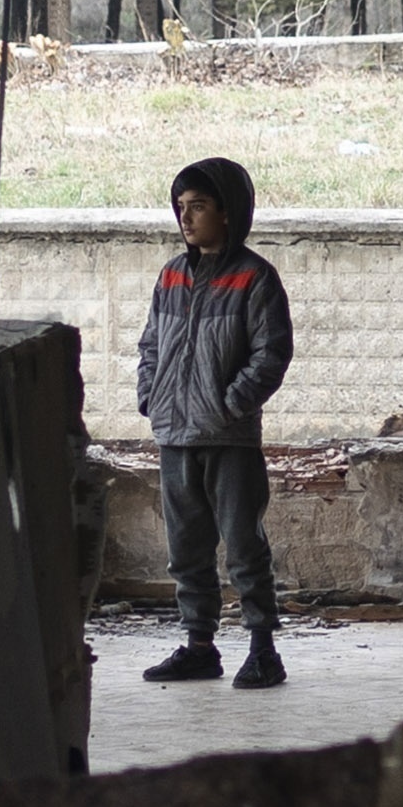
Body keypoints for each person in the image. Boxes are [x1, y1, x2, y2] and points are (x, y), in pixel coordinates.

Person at [133, 154, 295, 689]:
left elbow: (271, 354)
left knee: (244, 548)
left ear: (229, 213)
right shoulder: (172, 274)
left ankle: (262, 649)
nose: (186, 217)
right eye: (180, 207)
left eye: (198, 206)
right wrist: (149, 397)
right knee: (186, 551)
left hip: (229, 439)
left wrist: (230, 403)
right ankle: (199, 646)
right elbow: (152, 344)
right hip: (175, 436)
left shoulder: (255, 278)